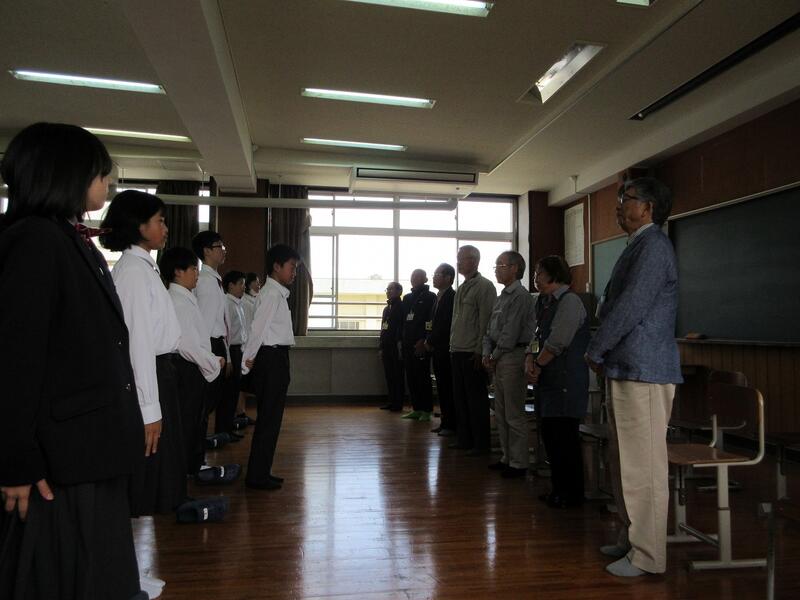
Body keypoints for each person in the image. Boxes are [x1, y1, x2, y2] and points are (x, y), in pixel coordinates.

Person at [0, 122, 146, 599]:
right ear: (65, 175)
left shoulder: (66, 237)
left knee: (100, 574)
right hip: (59, 460)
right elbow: (15, 360)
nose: (108, 182)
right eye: (100, 173)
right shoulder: (34, 241)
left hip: (89, 448)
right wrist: (16, 461)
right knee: (67, 576)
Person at [584, 177, 682, 577]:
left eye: (627, 199)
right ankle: (631, 538)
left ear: (648, 207)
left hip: (644, 368)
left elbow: (630, 306)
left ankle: (648, 556)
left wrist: (595, 348)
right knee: (625, 461)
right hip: (627, 366)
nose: (619, 205)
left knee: (644, 467)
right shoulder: (638, 244)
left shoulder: (654, 246)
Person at [100, 190, 186, 518]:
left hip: (162, 370)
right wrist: (149, 408)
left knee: (166, 469)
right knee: (150, 471)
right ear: (139, 226)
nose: (165, 228)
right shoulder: (134, 272)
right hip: (152, 373)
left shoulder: (144, 267)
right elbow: (137, 343)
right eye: (159, 221)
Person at [526, 256, 590, 507]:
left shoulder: (570, 301)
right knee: (551, 437)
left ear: (554, 274)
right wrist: (529, 360)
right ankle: (558, 489)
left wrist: (538, 365)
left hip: (566, 381)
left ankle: (571, 494)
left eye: (539, 273)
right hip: (547, 380)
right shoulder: (543, 302)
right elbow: (534, 336)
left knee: (565, 439)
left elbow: (559, 340)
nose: (536, 277)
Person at [159, 247, 224, 476]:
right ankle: (187, 469)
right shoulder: (178, 301)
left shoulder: (185, 298)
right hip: (186, 367)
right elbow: (187, 345)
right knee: (189, 420)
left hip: (193, 364)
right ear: (178, 271)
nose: (197, 274)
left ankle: (194, 465)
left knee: (196, 419)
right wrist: (212, 362)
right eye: (193, 269)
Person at [241, 244, 301, 490]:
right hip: (271, 359)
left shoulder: (277, 294)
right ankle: (257, 476)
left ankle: (261, 471)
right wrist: (247, 361)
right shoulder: (271, 295)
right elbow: (257, 330)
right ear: (276, 266)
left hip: (276, 357)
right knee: (268, 420)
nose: (294, 273)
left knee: (271, 420)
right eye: (291, 267)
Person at [483, 251, 535, 478]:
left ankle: (519, 462)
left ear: (515, 268)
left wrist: (493, 356)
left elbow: (510, 333)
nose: (497, 269)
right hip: (498, 356)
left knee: (514, 413)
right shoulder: (501, 296)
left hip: (512, 356)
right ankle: (507, 457)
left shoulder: (521, 297)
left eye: (501, 265)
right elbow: (489, 330)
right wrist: (487, 353)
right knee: (501, 412)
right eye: (496, 265)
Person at [449, 245, 498, 456]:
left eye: (462, 259)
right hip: (457, 349)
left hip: (472, 351)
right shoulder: (461, 287)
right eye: (458, 258)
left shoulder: (485, 286)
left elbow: (486, 321)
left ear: (475, 261)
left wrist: (481, 350)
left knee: (476, 400)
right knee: (460, 398)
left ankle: (480, 443)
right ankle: (464, 439)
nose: (458, 263)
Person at [191, 230, 231, 439]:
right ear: (206, 251)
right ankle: (196, 449)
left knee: (210, 401)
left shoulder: (214, 280)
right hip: (209, 345)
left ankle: (199, 445)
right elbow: (205, 324)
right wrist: (209, 356)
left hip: (216, 344)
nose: (224, 250)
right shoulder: (206, 281)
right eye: (219, 246)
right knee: (205, 402)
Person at [400, 269, 437, 422]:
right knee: (411, 376)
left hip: (421, 343)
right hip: (407, 343)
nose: (414, 278)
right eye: (412, 276)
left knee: (422, 376)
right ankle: (416, 408)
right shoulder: (407, 298)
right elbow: (404, 320)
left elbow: (431, 320)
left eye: (417, 276)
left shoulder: (431, 297)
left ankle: (427, 410)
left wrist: (424, 339)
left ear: (425, 279)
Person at [425, 263, 456, 436]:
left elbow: (445, 324)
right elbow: (432, 323)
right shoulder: (438, 297)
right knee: (442, 388)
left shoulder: (451, 297)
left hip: (445, 348)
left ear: (448, 278)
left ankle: (451, 424)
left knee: (447, 388)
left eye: (437, 274)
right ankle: (445, 421)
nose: (434, 277)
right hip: (436, 348)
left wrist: (431, 340)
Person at [222, 270, 248, 441]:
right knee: (229, 393)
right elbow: (226, 334)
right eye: (241, 284)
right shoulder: (227, 303)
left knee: (234, 391)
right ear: (231, 285)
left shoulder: (238, 304)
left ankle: (229, 426)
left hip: (239, 350)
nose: (243, 288)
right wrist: (229, 359)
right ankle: (225, 429)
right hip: (231, 350)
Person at [378, 281, 406, 412]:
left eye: (391, 289)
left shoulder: (402, 307)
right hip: (386, 346)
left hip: (396, 346)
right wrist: (381, 347)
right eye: (387, 289)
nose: (388, 292)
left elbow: (402, 327)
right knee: (389, 375)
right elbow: (383, 329)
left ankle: (398, 403)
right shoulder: (386, 308)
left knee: (397, 375)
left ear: (399, 292)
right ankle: (391, 401)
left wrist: (400, 343)